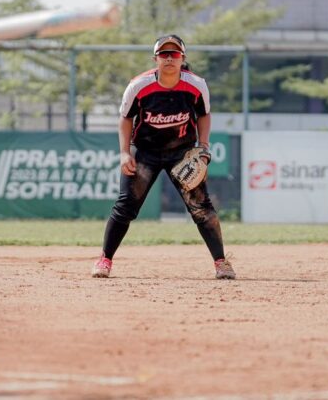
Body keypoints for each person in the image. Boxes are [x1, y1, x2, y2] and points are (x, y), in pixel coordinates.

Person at [91, 34, 235, 280]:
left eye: (175, 54)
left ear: (183, 58)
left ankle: (221, 262)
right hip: (145, 151)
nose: (169, 58)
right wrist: (125, 153)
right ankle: (104, 259)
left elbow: (204, 115)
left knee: (201, 208)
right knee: (126, 206)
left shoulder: (196, 85)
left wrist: (204, 147)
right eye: (164, 54)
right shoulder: (139, 85)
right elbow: (125, 118)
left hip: (182, 153)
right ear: (155, 59)